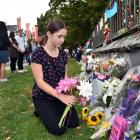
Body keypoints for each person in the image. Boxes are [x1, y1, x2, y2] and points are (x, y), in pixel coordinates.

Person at [31, 19, 79, 136]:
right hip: (43, 96)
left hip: (59, 94)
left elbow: (64, 77)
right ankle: (40, 109)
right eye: (59, 36)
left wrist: (72, 89)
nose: (62, 40)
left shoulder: (63, 54)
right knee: (58, 130)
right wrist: (61, 96)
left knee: (73, 123)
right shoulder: (38, 53)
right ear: (49, 34)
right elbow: (40, 82)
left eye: (64, 37)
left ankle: (49, 110)